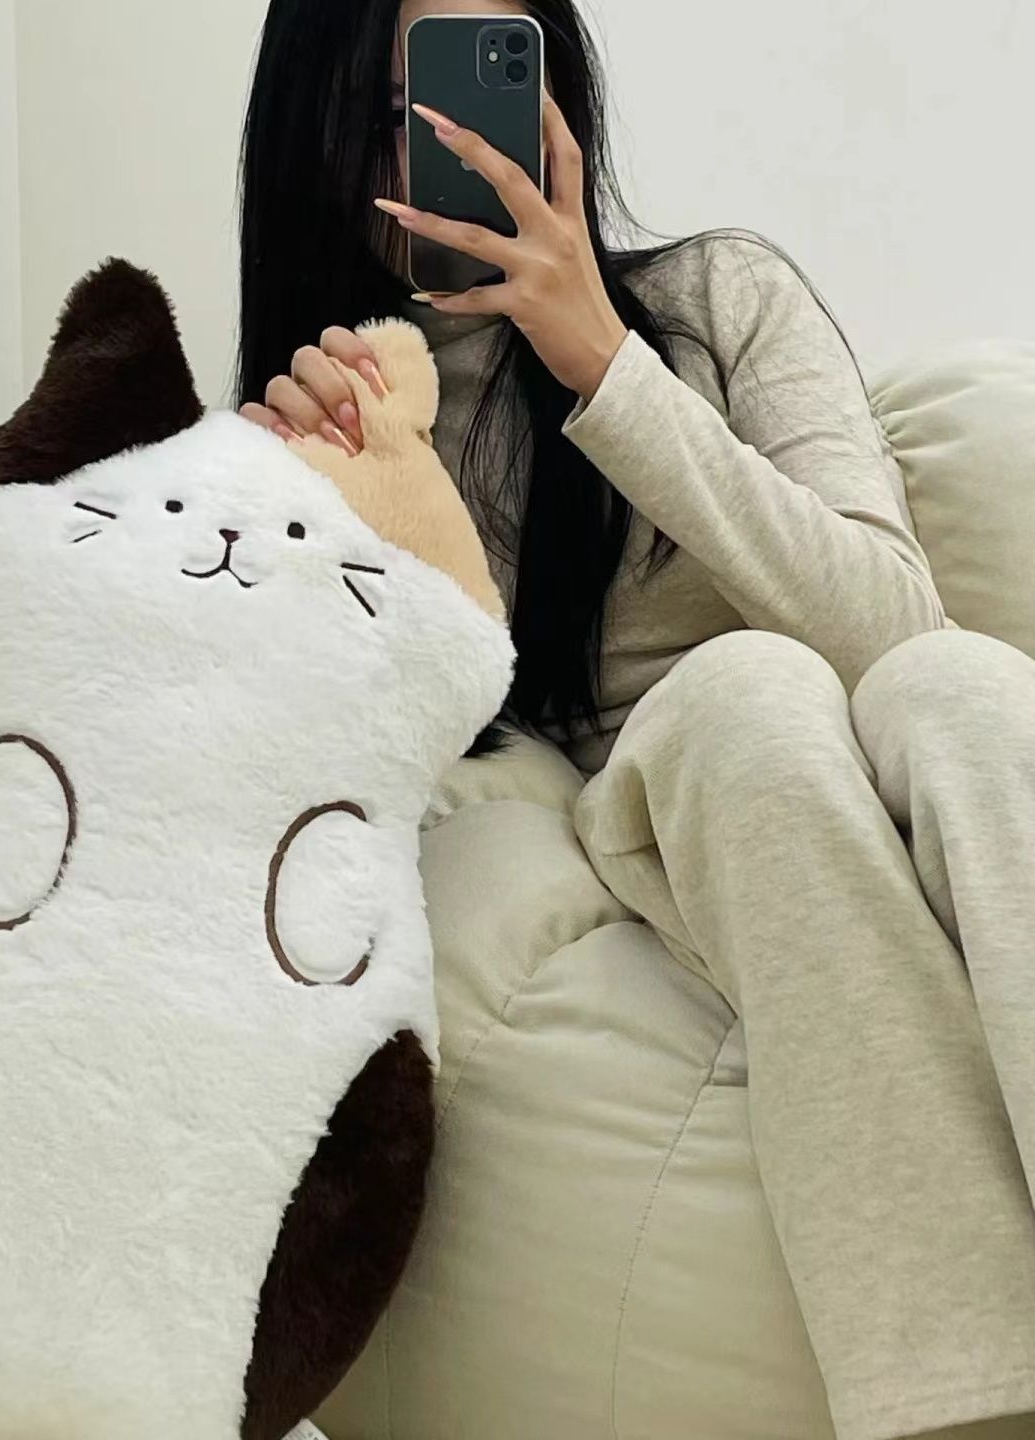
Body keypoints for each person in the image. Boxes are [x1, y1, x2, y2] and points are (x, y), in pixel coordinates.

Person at [235, 2, 1035, 1438]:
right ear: (327, 133)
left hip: (886, 724)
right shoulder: (363, 410)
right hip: (680, 779)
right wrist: (299, 505)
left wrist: (605, 363)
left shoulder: (722, 300)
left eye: (489, 84)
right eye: (400, 108)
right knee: (750, 693)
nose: (454, 144)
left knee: (966, 683)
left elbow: (893, 622)